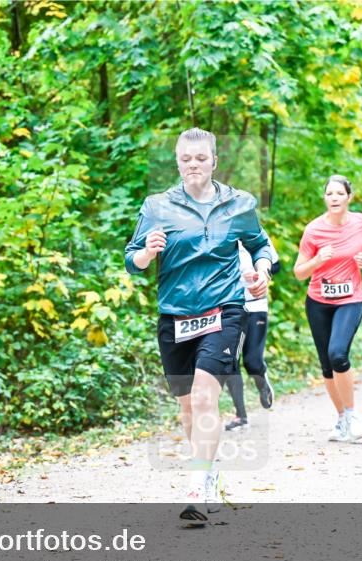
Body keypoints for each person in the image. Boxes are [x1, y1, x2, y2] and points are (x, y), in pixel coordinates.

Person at [125, 128, 274, 525]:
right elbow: (131, 259)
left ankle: (194, 487)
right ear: (177, 162)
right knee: (188, 406)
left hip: (224, 310)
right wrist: (146, 253)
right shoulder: (157, 206)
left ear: (214, 161)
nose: (193, 164)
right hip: (175, 315)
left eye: (201, 158)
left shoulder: (238, 204)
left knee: (206, 396)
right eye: (186, 159)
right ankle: (207, 472)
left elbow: (261, 245)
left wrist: (260, 271)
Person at [294, 175, 362, 443]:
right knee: (327, 366)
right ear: (325, 198)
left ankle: (352, 415)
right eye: (330, 194)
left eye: (340, 193)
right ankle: (341, 420)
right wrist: (317, 260)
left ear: (349, 197)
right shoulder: (313, 230)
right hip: (318, 302)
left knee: (338, 354)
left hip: (350, 299)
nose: (334, 198)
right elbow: (299, 272)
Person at [225, 240, 280, 431]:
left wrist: (259, 273)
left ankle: (262, 383)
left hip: (256, 305)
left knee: (252, 362)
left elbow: (276, 265)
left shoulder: (254, 233)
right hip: (228, 307)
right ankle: (240, 415)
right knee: (230, 360)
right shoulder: (216, 233)